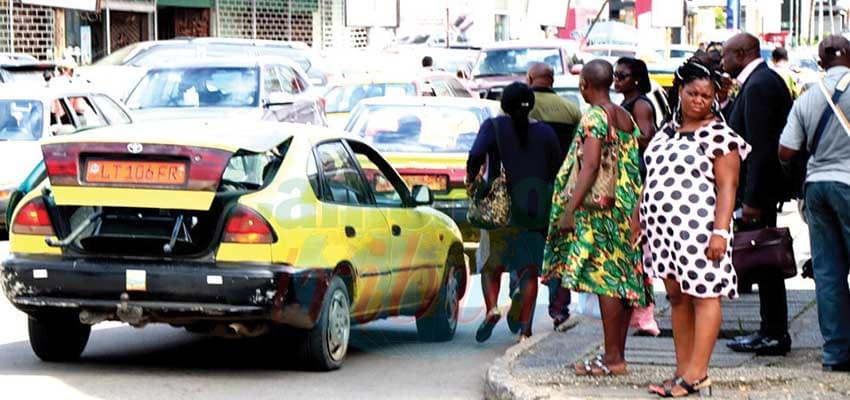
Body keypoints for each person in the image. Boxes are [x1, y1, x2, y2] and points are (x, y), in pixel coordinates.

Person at [642, 60, 750, 397]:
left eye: (706, 95)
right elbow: (651, 178)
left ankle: (698, 374)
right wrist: (639, 220)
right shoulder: (666, 132)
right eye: (693, 93)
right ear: (680, 92)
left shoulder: (720, 135)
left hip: (699, 230)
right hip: (663, 233)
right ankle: (681, 371)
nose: (700, 100)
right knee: (676, 298)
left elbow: (728, 187)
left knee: (704, 296)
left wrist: (720, 232)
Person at [543, 60, 651, 376]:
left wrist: (570, 209)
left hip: (602, 211)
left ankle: (612, 357)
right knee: (622, 280)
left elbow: (589, 167)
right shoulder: (625, 117)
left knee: (606, 283)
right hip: (627, 207)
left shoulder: (594, 117)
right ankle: (615, 357)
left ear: (585, 86)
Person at [467, 82, 563, 342]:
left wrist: (472, 178)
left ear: (503, 105)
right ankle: (525, 331)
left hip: (500, 210)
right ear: (532, 104)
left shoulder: (493, 127)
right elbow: (557, 169)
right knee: (529, 269)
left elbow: (475, 154)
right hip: (535, 209)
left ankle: (492, 309)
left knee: (492, 264)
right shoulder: (546, 133)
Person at [778, 35, 850, 372]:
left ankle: (836, 353)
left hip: (818, 187)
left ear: (820, 62)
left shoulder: (808, 97)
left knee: (828, 272)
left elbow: (786, 150)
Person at [722, 32, 794, 356]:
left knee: (765, 260)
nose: (723, 63)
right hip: (756, 189)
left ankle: (774, 332)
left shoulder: (761, 84)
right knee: (763, 260)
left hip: (758, 192)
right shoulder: (758, 82)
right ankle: (769, 328)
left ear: (741, 54)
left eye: (725, 56)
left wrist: (751, 198)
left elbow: (760, 148)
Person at [527, 61, 582, 331]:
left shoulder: (516, 108)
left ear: (529, 79)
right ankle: (559, 309)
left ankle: (521, 304)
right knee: (559, 251)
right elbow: (578, 154)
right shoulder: (571, 110)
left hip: (525, 190)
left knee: (525, 251)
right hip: (560, 190)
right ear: (552, 80)